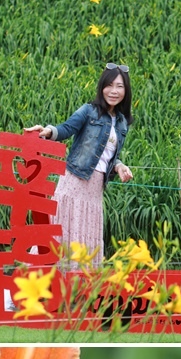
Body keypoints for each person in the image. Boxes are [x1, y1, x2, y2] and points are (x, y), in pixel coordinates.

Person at [24, 63, 134, 268]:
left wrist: (119, 166)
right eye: (109, 85)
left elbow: (109, 154)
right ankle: (31, 283)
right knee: (61, 231)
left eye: (119, 86)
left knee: (85, 235)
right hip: (75, 181)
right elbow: (66, 128)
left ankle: (76, 290)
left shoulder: (121, 123)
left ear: (125, 91)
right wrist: (47, 131)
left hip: (94, 191)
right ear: (102, 88)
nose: (114, 91)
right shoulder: (89, 111)